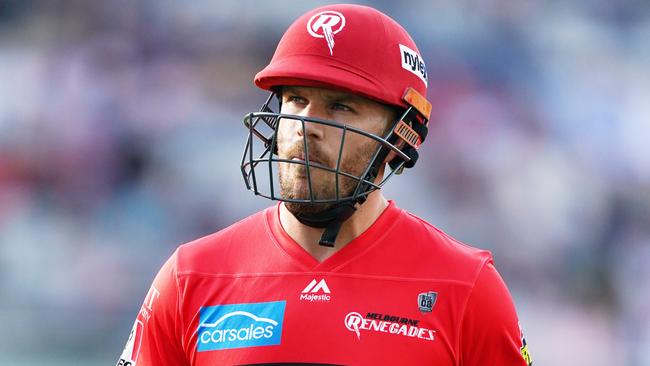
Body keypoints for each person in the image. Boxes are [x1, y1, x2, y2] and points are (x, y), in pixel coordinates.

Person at [117, 4, 533, 366]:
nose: (305, 127)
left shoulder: (465, 287)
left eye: (340, 106)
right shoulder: (192, 276)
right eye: (296, 99)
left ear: (400, 138)